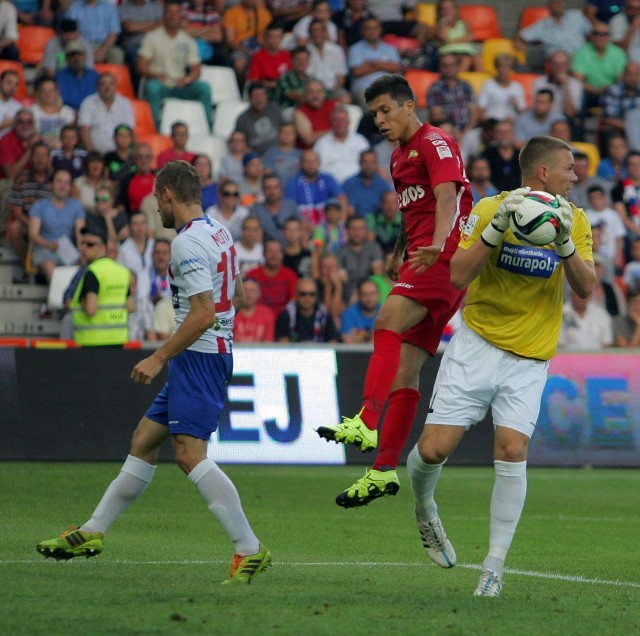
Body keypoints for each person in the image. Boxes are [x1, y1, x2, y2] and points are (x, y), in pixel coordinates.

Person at [36, 160, 272, 585]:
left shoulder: (185, 244)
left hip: (199, 357)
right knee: (144, 441)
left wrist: (157, 357)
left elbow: (200, 315)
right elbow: (234, 291)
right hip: (205, 354)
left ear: (166, 194)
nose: (154, 212)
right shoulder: (219, 230)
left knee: (188, 455)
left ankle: (249, 549)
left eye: (155, 202)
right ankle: (93, 531)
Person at [406, 135, 595, 597]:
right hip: (477, 346)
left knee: (512, 450)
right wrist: (496, 231)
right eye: (570, 168)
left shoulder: (576, 219)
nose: (577, 175)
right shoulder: (492, 209)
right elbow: (458, 275)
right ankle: (424, 509)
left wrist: (566, 242)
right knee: (432, 451)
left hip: (529, 357)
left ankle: (493, 567)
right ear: (544, 173)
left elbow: (587, 286)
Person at [316, 75, 473, 508]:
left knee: (385, 321)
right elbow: (414, 210)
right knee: (407, 370)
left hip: (442, 257)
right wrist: (400, 250)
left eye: (386, 110)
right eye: (374, 114)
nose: (380, 120)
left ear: (409, 106)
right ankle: (383, 470)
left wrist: (438, 245)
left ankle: (367, 420)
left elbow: (447, 199)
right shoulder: (399, 156)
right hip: (425, 257)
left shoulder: (435, 142)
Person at [137, 1, 212, 132]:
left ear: (181, 16)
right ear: (164, 15)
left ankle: (207, 128)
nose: (173, 16)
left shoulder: (187, 40)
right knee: (152, 87)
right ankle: (154, 129)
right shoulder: (152, 37)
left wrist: (187, 79)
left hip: (180, 85)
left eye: (176, 13)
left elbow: (196, 69)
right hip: (160, 84)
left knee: (204, 88)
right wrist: (153, 74)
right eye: (169, 12)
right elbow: (140, 65)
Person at [70, 225, 134, 346]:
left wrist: (79, 302)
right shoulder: (123, 271)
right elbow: (130, 307)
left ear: (102, 247)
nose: (83, 248)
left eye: (89, 244)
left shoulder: (93, 272)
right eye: (82, 243)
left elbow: (90, 310)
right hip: (118, 339)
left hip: (92, 340)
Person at [28, 168, 86, 283]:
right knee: (50, 267)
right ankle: (58, 300)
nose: (62, 186)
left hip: (67, 250)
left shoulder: (76, 206)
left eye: (66, 183)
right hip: (44, 248)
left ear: (70, 186)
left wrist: (82, 252)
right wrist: (48, 244)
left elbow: (81, 234)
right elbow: (33, 234)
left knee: (83, 267)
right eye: (59, 181)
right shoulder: (39, 205)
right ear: (51, 184)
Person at [6, 142, 52, 272]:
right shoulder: (22, 178)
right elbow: (16, 211)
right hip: (27, 221)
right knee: (14, 228)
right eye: (36, 155)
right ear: (31, 158)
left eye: (43, 155)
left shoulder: (55, 179)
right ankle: (26, 264)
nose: (40, 159)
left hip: (51, 223)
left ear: (49, 158)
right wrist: (32, 225)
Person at [347, 17, 402, 108]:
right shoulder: (354, 49)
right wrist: (384, 65)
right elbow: (357, 71)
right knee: (374, 107)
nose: (372, 31)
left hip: (389, 88)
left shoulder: (390, 48)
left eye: (375, 28)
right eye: (368, 28)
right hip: (365, 88)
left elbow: (397, 67)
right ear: (362, 31)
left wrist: (372, 64)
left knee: (408, 99)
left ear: (380, 30)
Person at [78, 72, 135, 154]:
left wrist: (132, 152)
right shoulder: (88, 103)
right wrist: (92, 155)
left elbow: (131, 129)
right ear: (97, 87)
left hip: (120, 155)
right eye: (103, 84)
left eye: (110, 84)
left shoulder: (125, 103)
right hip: (97, 156)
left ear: (116, 86)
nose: (107, 87)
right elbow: (84, 130)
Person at [314, 106, 370, 184]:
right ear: (331, 122)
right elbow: (317, 170)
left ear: (348, 122)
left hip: (359, 185)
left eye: (343, 119)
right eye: (336, 120)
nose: (340, 123)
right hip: (332, 188)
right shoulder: (321, 143)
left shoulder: (360, 140)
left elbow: (369, 164)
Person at [426, 53, 479, 138]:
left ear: (457, 66)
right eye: (445, 65)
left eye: (452, 65)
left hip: (468, 130)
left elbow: (474, 111)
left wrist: (466, 130)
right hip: (447, 130)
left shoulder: (466, 85)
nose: (449, 68)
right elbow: (437, 116)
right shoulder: (435, 88)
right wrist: (454, 132)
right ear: (440, 68)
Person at [336, 214, 384, 303]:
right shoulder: (341, 252)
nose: (357, 232)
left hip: (371, 292)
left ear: (365, 230)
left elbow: (377, 274)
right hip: (349, 294)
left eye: (360, 229)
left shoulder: (374, 247)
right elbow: (344, 280)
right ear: (347, 231)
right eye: (353, 229)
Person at [245, 238, 298, 317]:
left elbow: (293, 302)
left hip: (282, 319)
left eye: (277, 251)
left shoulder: (290, 275)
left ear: (282, 255)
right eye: (270, 251)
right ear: (263, 254)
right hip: (257, 318)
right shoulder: (252, 275)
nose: (274, 254)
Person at [275, 277, 339, 342]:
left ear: (316, 296)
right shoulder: (286, 314)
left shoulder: (325, 315)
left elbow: (332, 343)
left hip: (319, 352)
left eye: (312, 294)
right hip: (293, 352)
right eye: (303, 294)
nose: (307, 298)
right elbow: (283, 345)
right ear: (296, 295)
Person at [65, 0, 124, 64]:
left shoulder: (109, 7)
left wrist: (103, 50)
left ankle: (111, 74)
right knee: (74, 50)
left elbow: (114, 33)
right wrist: (88, 50)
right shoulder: (75, 7)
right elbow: (70, 32)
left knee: (117, 54)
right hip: (82, 44)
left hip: (104, 44)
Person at [235, 82, 284, 155]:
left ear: (267, 96)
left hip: (280, 154)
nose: (260, 99)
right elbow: (238, 142)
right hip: (257, 161)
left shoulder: (275, 109)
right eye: (255, 96)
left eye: (262, 95)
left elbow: (285, 130)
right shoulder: (242, 119)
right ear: (249, 98)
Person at [342, 149, 392, 217]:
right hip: (355, 223)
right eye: (365, 162)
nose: (368, 166)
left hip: (378, 224)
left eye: (372, 162)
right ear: (360, 163)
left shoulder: (383, 184)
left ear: (376, 164)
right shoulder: (349, 184)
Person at [29, 77, 76, 149]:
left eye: (51, 90)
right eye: (44, 91)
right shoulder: (31, 111)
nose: (48, 94)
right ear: (39, 93)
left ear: (57, 92)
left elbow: (70, 137)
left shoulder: (68, 112)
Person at [246, 21, 291, 97]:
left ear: (282, 38)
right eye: (271, 36)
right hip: (264, 93)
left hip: (285, 93)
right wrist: (271, 84)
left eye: (277, 37)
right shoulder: (257, 56)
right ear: (265, 37)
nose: (274, 40)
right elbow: (254, 80)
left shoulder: (287, 55)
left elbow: (291, 79)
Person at [55, 40, 100, 111]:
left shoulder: (94, 76)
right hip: (69, 114)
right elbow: (61, 101)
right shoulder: (60, 77)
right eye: (72, 55)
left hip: (92, 113)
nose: (76, 59)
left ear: (85, 57)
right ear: (67, 58)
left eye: (79, 55)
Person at [233, 277, 275, 342]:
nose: (248, 294)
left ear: (259, 293)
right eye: (245, 290)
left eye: (252, 290)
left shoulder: (266, 313)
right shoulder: (231, 313)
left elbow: (268, 343)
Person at [340, 278, 380, 343]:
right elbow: (347, 341)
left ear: (378, 295)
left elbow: (390, 340)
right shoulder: (348, 314)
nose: (369, 298)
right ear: (358, 296)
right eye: (365, 294)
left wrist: (359, 338)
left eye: (372, 294)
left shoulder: (385, 313)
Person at [72, 150, 110, 214]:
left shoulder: (108, 184)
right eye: (92, 161)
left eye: (99, 162)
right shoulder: (77, 183)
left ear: (103, 166)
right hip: (84, 218)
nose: (96, 165)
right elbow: (75, 208)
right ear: (87, 165)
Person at [0, 69, 22, 139]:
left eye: (16, 84)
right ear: (1, 82)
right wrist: (4, 124)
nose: (12, 87)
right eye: (9, 83)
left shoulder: (18, 107)